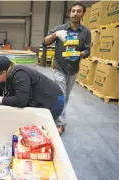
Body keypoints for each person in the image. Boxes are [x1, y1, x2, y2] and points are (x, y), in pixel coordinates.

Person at [43, 2, 91, 134]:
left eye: (78, 11)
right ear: (70, 13)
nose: (75, 13)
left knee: (66, 96)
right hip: (59, 67)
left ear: (83, 14)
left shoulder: (86, 32)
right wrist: (56, 34)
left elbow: (88, 50)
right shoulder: (60, 28)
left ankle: (56, 113)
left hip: (73, 68)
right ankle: (61, 124)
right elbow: (45, 41)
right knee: (62, 94)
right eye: (73, 11)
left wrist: (80, 53)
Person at [0, 56, 65, 122]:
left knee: (37, 129)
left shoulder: (19, 75)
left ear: (4, 73)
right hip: (39, 98)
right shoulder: (6, 76)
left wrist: (0, 99)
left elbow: (21, 101)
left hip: (53, 102)